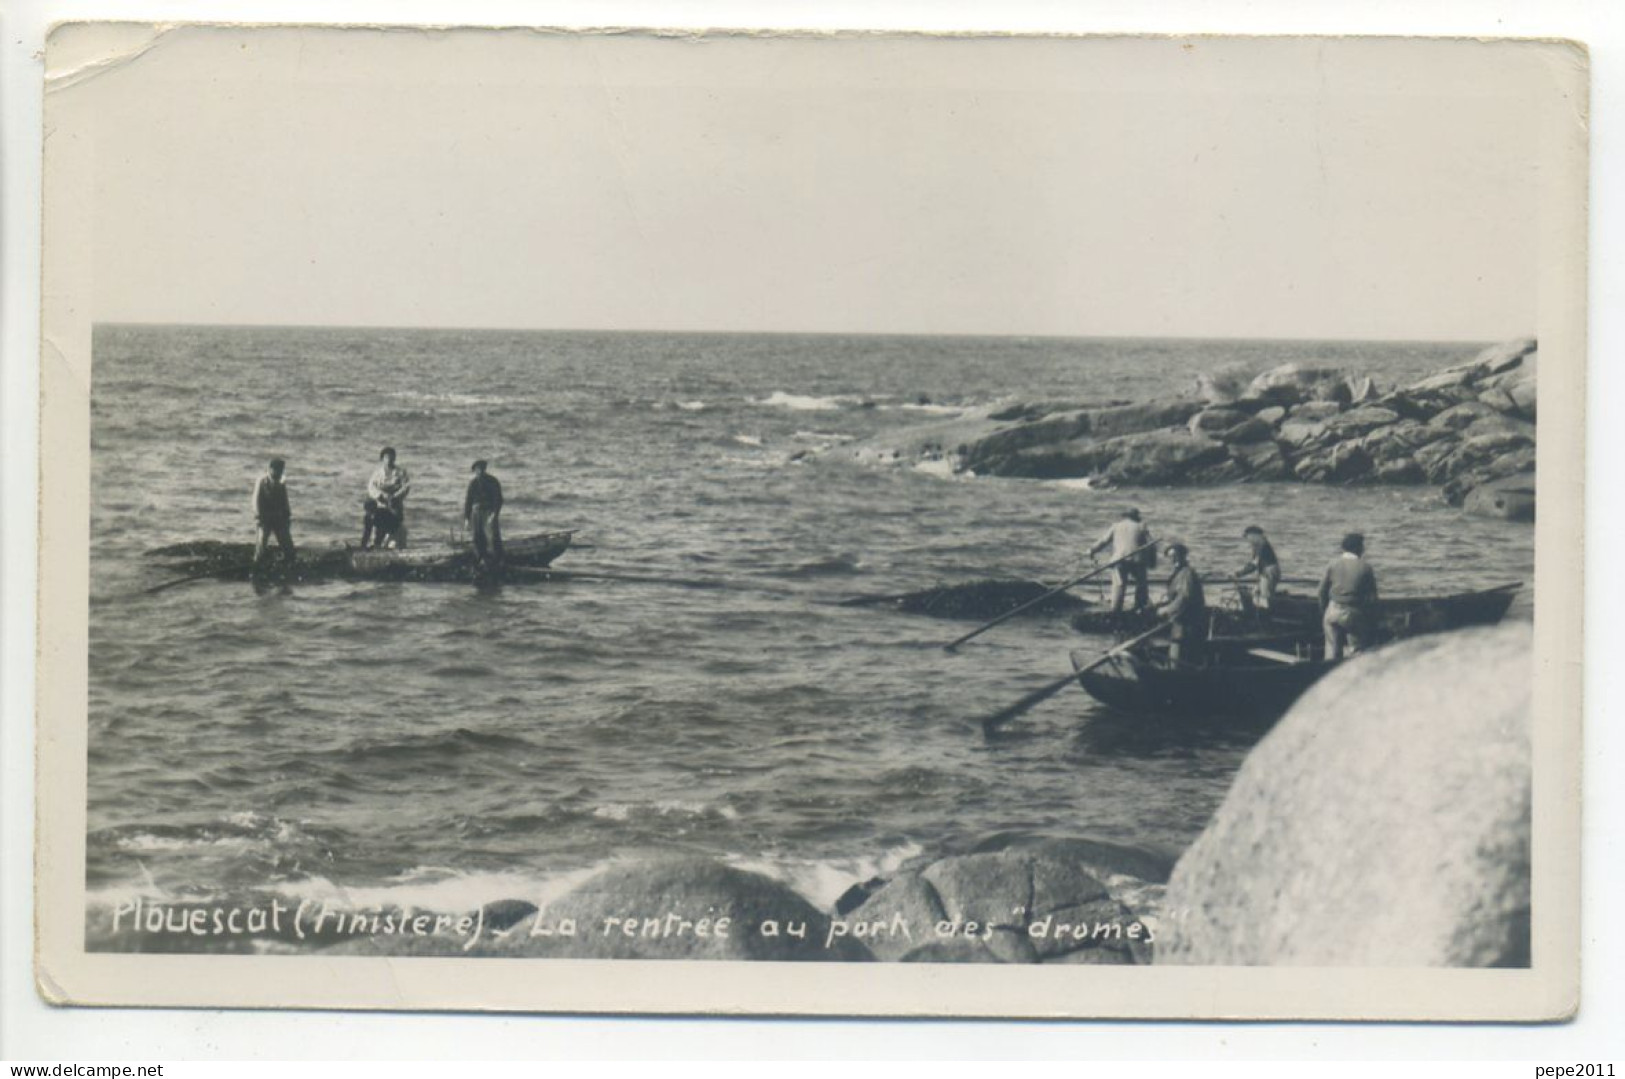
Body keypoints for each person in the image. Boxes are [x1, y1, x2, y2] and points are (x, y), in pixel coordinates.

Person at [1318, 532, 1379, 660]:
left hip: (1333, 609)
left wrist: (1324, 610)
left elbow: (1321, 591)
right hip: (1353, 612)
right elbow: (1372, 598)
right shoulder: (1365, 567)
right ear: (1358, 548)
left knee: (1331, 652)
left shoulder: (1332, 564)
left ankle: (1329, 672)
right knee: (1356, 652)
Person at [1088, 508, 1155, 613]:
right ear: (1136, 517)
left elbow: (1103, 541)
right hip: (1137, 559)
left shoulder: (1116, 526)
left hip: (1119, 560)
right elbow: (1152, 544)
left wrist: (1092, 550)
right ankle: (1140, 607)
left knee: (1119, 584)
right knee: (1141, 583)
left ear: (1124, 517)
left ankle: (1115, 610)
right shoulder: (1142, 526)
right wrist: (1152, 562)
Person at [1156, 542, 1207, 667]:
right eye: (1170, 557)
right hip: (1180, 622)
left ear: (1183, 556)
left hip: (1189, 624)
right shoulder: (1179, 573)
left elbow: (1184, 598)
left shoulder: (1186, 573)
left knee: (1179, 657)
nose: (1173, 559)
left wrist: (1166, 610)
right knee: (1176, 654)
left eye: (1176, 556)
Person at [362, 446, 412, 550]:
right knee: (373, 521)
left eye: (391, 457)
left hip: (394, 508)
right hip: (380, 505)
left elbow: (406, 487)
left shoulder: (400, 472)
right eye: (387, 457)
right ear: (382, 459)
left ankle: (383, 544)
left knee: (394, 539)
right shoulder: (378, 474)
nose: (389, 459)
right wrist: (380, 495)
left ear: (395, 458)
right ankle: (370, 545)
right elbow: (371, 487)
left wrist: (395, 497)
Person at [251, 457, 295, 568]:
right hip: (264, 517)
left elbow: (285, 500)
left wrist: (287, 515)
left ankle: (289, 561)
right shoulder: (261, 481)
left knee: (286, 542)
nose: (280, 473)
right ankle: (257, 563)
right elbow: (255, 500)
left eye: (281, 470)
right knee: (262, 541)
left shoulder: (281, 481)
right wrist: (258, 516)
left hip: (278, 517)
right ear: (270, 469)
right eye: (277, 470)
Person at [464, 459, 505, 568]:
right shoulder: (473, 484)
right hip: (476, 513)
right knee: (477, 537)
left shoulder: (492, 481)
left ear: (485, 469)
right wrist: (467, 519)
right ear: (475, 471)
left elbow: (498, 499)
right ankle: (481, 559)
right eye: (477, 470)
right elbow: (468, 502)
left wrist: (494, 514)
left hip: (489, 512)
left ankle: (498, 561)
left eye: (481, 469)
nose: (480, 471)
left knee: (493, 537)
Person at [1237, 525, 1282, 611]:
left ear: (1254, 535)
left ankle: (1266, 615)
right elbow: (1254, 563)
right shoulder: (1262, 544)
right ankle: (1262, 612)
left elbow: (1254, 564)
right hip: (1269, 571)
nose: (1247, 540)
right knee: (1256, 593)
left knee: (1264, 596)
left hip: (1269, 572)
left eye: (1247, 536)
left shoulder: (1260, 544)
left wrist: (1239, 573)